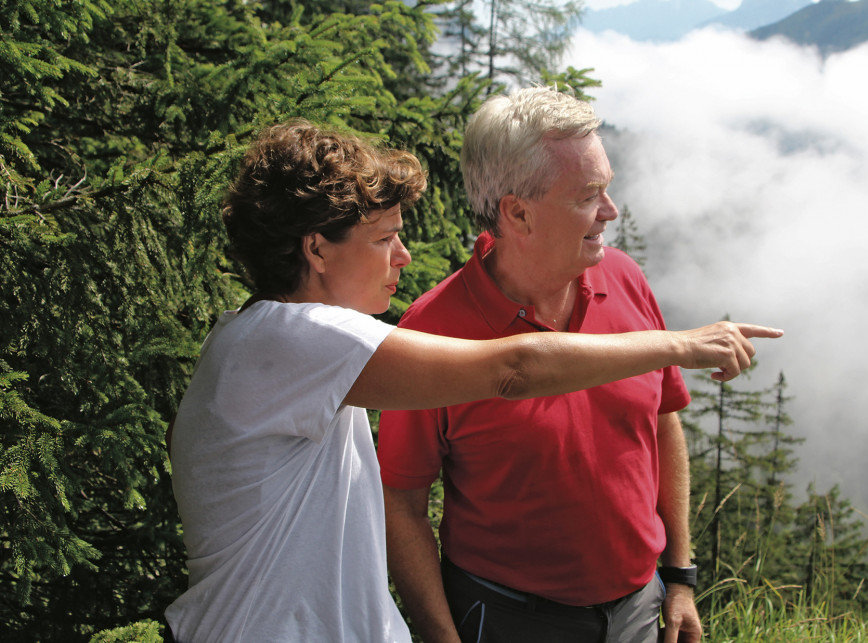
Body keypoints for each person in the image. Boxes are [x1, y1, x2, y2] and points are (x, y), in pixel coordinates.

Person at [163, 118, 780, 642]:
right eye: (384, 239)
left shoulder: (262, 340)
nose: (403, 256)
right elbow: (513, 368)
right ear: (317, 250)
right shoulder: (292, 340)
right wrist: (682, 344)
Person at [378, 86, 752, 643]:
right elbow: (400, 500)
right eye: (588, 195)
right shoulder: (433, 332)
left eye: (608, 188)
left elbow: (660, 421)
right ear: (518, 212)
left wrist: (679, 578)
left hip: (639, 609)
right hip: (504, 618)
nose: (611, 211)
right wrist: (441, 636)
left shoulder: (624, 278)